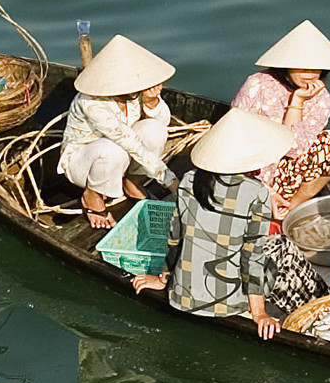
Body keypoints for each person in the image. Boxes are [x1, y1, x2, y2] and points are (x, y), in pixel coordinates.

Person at [131, 106, 308, 340]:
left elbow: (173, 238)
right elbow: (252, 256)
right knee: (283, 250)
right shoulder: (255, 192)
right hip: (229, 303)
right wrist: (259, 313)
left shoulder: (188, 180)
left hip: (183, 296)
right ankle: (311, 306)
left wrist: (163, 278)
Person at [230, 19, 330, 223]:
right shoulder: (257, 84)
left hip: (286, 170)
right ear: (286, 66)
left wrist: (297, 101)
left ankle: (290, 208)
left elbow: (293, 149)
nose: (310, 76)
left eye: (316, 70)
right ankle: (268, 201)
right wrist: (266, 191)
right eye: (303, 69)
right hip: (250, 167)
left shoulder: (321, 99)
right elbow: (234, 134)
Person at [59, 35, 177, 230]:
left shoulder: (136, 93)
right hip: (84, 163)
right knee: (112, 148)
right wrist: (171, 182)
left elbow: (163, 123)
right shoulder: (91, 102)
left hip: (121, 158)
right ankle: (92, 196)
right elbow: (128, 142)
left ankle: (132, 182)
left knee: (155, 129)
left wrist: (151, 102)